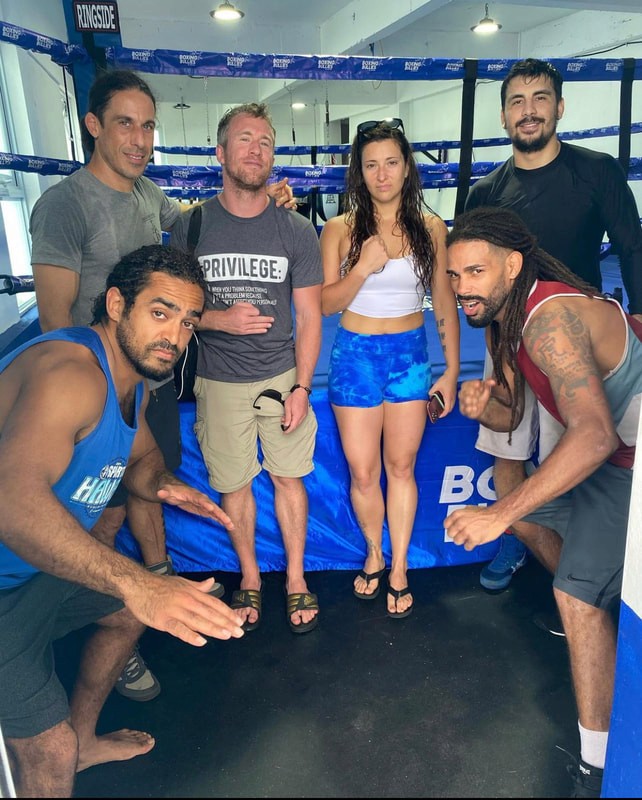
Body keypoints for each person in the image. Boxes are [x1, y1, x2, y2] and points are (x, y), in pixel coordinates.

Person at [29, 69, 293, 698]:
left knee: (150, 483)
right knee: (103, 503)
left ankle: (157, 582)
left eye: (148, 125)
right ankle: (107, 627)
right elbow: (54, 321)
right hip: (95, 389)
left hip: (154, 381)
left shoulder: (150, 198)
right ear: (93, 125)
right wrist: (95, 401)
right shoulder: (64, 206)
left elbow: (206, 218)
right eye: (125, 122)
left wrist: (263, 199)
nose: (140, 137)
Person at [0, 244, 246, 798]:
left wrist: (167, 486)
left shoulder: (126, 379)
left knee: (125, 615)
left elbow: (139, 462)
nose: (175, 338)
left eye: (187, 322)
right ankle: (68, 747)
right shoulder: (70, 375)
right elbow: (11, 503)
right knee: (49, 750)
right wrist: (139, 582)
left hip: (32, 570)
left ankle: (85, 740)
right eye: (160, 313)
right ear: (116, 304)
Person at [443, 206, 642, 798]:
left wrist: (497, 514)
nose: (462, 289)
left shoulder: (547, 319)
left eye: (475, 273)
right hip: (613, 456)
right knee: (529, 515)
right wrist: (486, 405)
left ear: (512, 265)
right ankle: (605, 612)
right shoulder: (506, 316)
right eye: (454, 277)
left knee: (571, 594)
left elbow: (595, 434)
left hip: (628, 460)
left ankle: (599, 764)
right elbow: (516, 410)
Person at [464, 57, 642, 592]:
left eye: (540, 98)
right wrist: (492, 349)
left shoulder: (596, 171)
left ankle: (587, 580)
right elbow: (471, 271)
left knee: (580, 462)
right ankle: (530, 547)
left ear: (559, 107)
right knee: (505, 457)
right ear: (503, 117)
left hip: (577, 347)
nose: (529, 111)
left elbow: (631, 246)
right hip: (509, 346)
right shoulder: (486, 192)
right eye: (517, 101)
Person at [170, 102, 323, 634]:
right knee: (234, 485)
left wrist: (303, 386)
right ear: (220, 152)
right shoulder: (191, 226)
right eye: (243, 139)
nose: (255, 149)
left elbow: (308, 315)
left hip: (283, 377)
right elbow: (172, 306)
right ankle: (252, 577)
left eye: (264, 141)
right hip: (219, 381)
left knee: (289, 478)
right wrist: (217, 320)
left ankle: (298, 579)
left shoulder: (297, 231)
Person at [319, 118, 460, 617]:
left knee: (401, 467)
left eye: (391, 163)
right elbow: (324, 304)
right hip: (355, 357)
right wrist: (361, 268)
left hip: (410, 357)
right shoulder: (338, 229)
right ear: (359, 171)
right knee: (363, 471)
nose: (382, 174)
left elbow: (443, 299)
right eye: (371, 164)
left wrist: (449, 370)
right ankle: (374, 553)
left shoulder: (430, 228)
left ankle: (399, 565)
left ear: (406, 168)